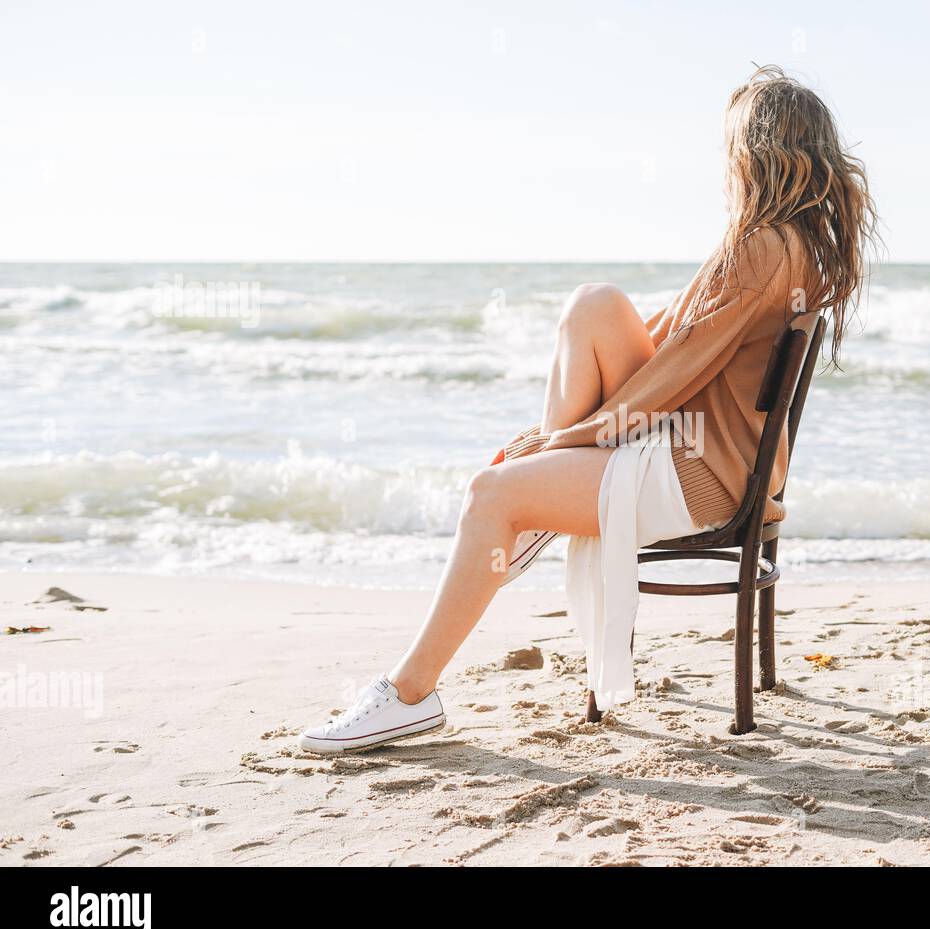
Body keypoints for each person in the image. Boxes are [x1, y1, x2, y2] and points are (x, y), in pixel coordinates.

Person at [299, 65, 878, 754]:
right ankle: (532, 505)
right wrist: (557, 441)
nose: (725, 166)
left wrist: (560, 444)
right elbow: (675, 336)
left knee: (490, 495)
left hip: (698, 476)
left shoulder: (761, 247)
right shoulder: (796, 247)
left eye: (731, 150)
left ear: (757, 152)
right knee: (594, 303)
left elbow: (673, 373)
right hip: (716, 462)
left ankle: (410, 697)